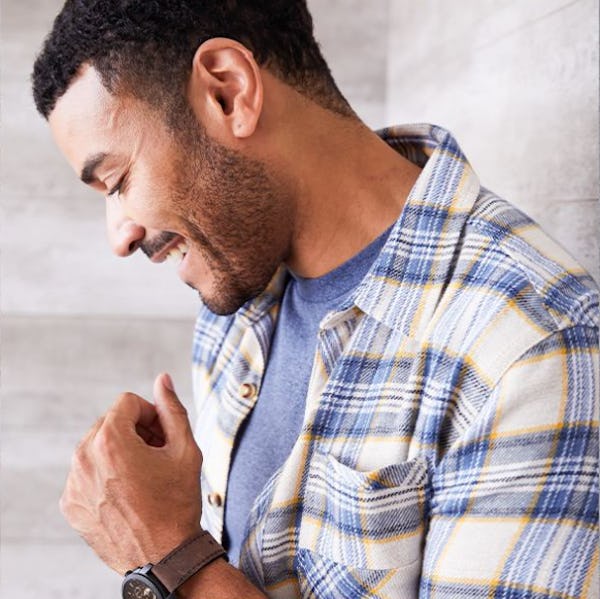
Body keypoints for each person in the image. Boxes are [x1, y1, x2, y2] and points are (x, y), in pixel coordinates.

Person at [32, 1, 599, 598]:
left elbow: (185, 560)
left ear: (228, 92)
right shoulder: (236, 296)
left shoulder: (533, 345)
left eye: (117, 181)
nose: (119, 237)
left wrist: (165, 553)